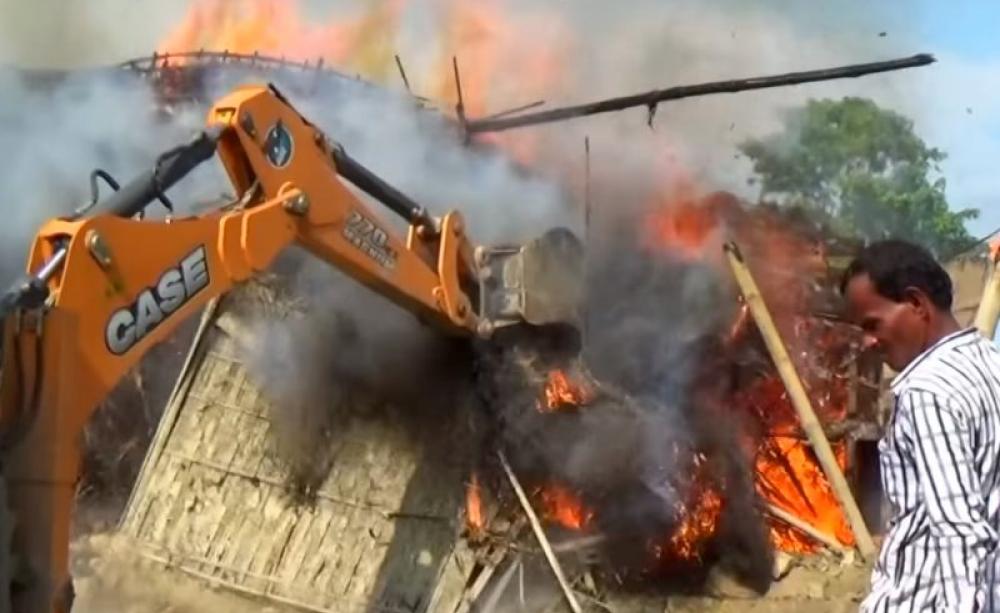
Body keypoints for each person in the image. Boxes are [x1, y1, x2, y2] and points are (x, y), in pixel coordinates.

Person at [840, 239, 1000, 612]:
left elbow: (958, 531)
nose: (867, 342)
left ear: (916, 303)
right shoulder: (992, 365)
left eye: (872, 324)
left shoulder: (926, 390)